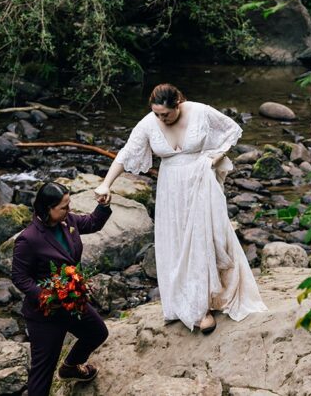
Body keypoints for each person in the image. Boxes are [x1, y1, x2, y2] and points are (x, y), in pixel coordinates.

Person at [93, 83, 267, 334]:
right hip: (171, 190)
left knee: (204, 239)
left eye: (166, 114)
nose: (161, 118)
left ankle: (205, 304)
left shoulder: (199, 111)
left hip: (200, 182)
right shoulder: (149, 123)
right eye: (157, 114)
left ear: (178, 104)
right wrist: (106, 184)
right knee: (175, 244)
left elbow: (231, 129)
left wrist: (215, 157)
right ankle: (190, 305)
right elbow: (126, 153)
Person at [10, 181, 113, 395]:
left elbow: (93, 223)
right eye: (63, 207)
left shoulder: (69, 221)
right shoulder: (28, 239)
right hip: (45, 314)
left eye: (69, 204)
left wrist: (103, 206)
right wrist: (47, 295)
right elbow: (20, 277)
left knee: (97, 332)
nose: (69, 210)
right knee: (42, 374)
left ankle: (69, 368)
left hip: (72, 302)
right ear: (47, 209)